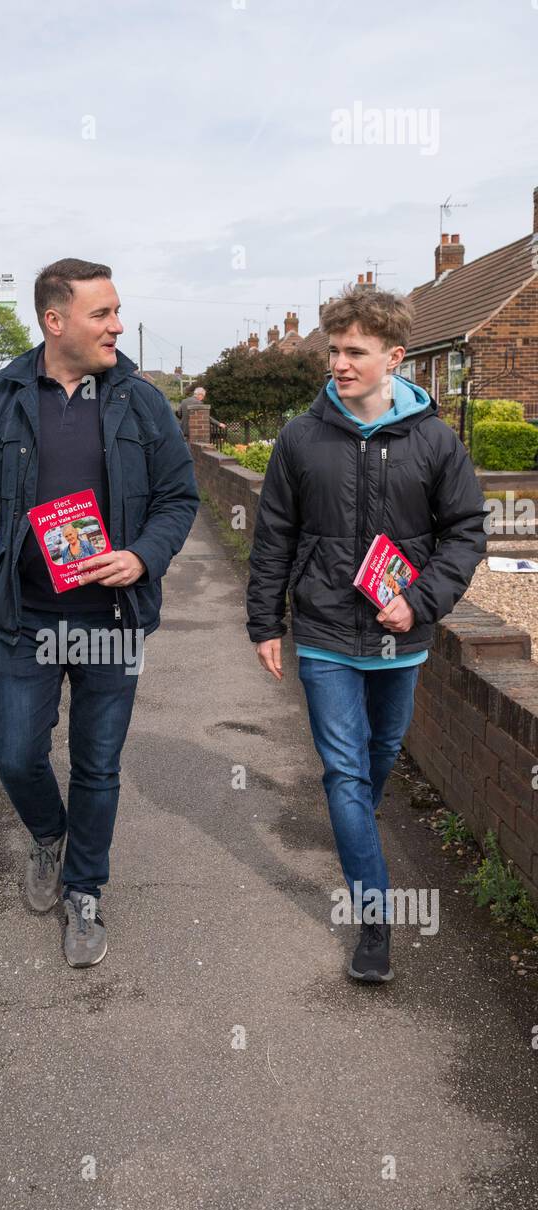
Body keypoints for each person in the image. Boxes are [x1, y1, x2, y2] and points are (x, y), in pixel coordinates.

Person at [0, 257, 199, 968]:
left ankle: (85, 890)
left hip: (111, 619)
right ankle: (49, 837)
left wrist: (143, 554)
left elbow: (181, 497)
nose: (118, 325)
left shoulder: (141, 403)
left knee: (98, 765)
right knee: (16, 753)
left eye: (117, 311)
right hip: (26, 616)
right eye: (102, 313)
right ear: (55, 322)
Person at [245, 283, 486, 984]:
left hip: (400, 638)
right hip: (324, 633)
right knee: (346, 771)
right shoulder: (299, 437)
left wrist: (419, 601)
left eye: (355, 352)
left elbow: (466, 532)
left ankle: (356, 828)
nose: (340, 364)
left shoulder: (436, 440)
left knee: (380, 753)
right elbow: (274, 536)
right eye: (334, 350)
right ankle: (374, 918)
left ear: (394, 356)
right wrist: (266, 622)